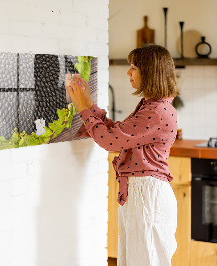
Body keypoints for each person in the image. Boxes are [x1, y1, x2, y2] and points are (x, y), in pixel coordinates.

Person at [67, 44, 179, 266]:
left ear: (150, 72)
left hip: (147, 195)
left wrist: (82, 108)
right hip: (142, 193)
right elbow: (118, 133)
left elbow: (110, 141)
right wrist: (89, 104)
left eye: (134, 67)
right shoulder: (152, 106)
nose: (128, 72)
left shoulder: (156, 111)